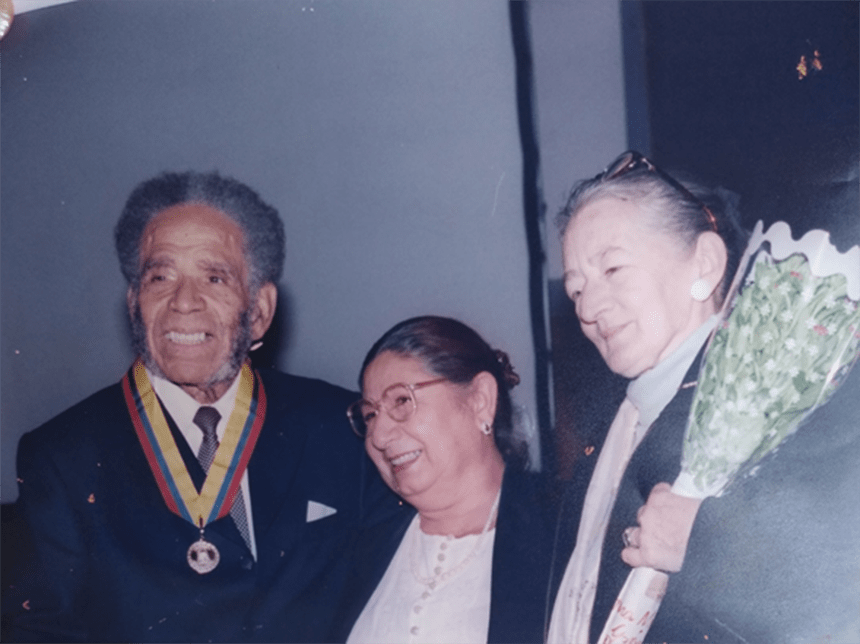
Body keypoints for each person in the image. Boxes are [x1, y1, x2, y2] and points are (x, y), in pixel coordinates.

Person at [3, 171, 397, 643]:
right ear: (134, 304)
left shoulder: (341, 426)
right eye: (160, 277)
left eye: (214, 277)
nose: (184, 302)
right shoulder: (64, 457)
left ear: (259, 311)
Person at [546, 151, 860, 643]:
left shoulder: (793, 407)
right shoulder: (613, 425)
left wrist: (704, 540)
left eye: (613, 269)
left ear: (706, 264)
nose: (589, 308)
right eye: (576, 290)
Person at [331, 316, 560, 644]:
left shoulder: (562, 529)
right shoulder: (354, 545)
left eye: (401, 401)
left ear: (480, 400)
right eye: (370, 415)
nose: (378, 436)